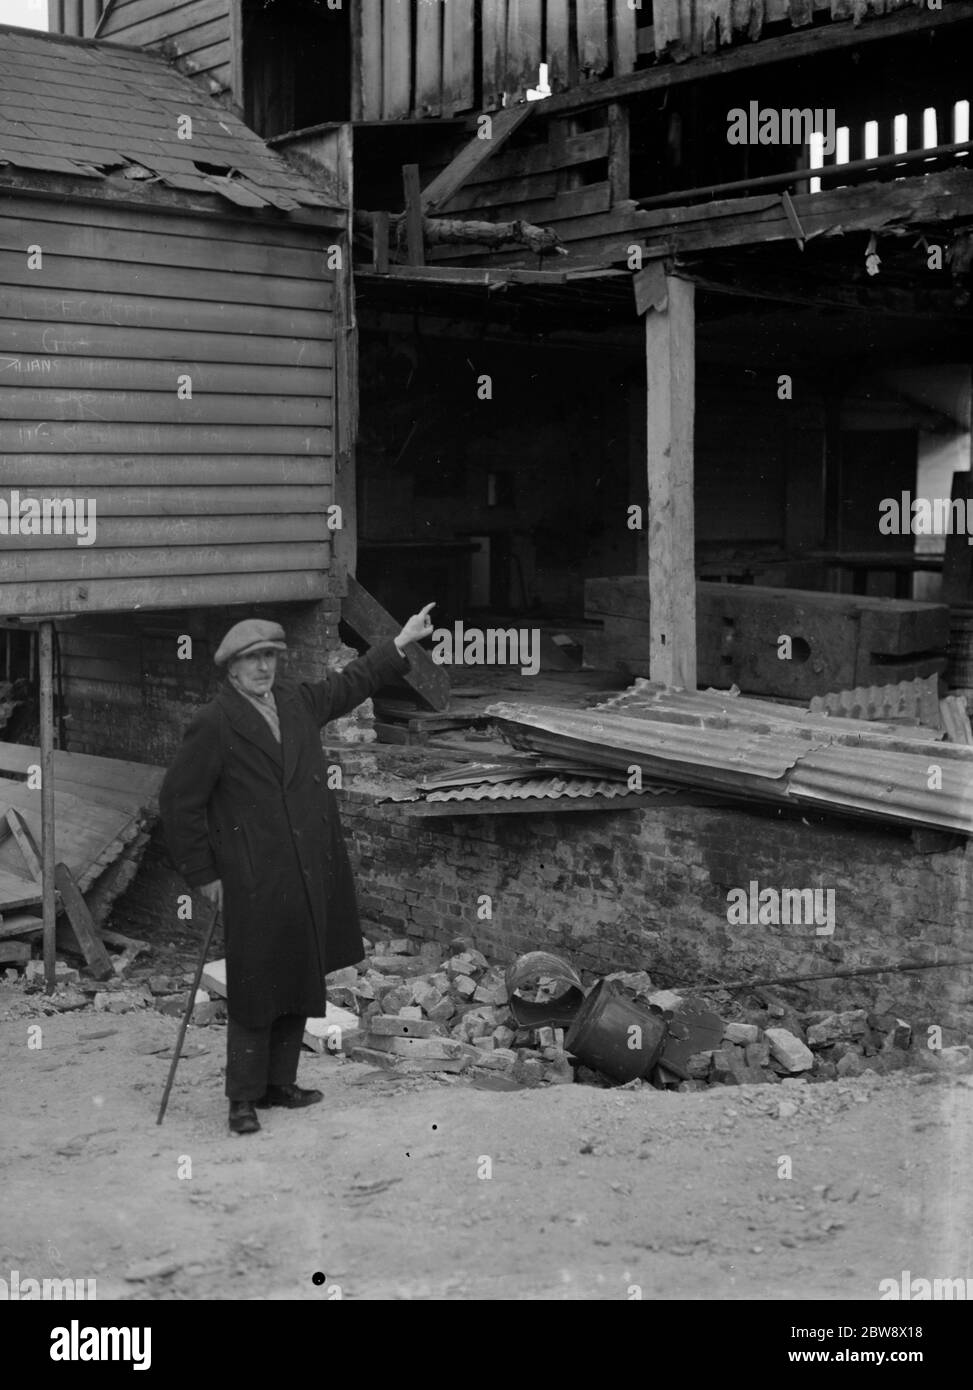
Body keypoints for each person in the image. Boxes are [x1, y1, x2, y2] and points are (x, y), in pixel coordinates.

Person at [159, 606, 435, 1134]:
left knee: (299, 975)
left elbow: (352, 681)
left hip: (307, 873)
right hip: (252, 881)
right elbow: (179, 804)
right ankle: (242, 1097)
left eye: (269, 657)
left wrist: (399, 642)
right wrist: (204, 876)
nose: (263, 668)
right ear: (232, 669)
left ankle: (279, 1084)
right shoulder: (214, 723)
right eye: (252, 660)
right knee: (254, 986)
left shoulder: (297, 701)